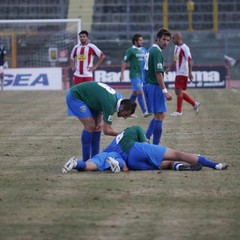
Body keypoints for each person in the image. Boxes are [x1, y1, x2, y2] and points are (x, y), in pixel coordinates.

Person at [62, 125, 228, 173]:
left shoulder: (113, 144)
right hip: (136, 150)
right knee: (177, 154)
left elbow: (96, 161)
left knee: (165, 164)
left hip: (129, 162)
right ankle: (215, 165)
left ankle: (77, 164)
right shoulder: (136, 129)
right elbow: (147, 144)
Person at [66, 81, 137, 161]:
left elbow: (101, 103)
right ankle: (85, 161)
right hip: (75, 96)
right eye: (126, 114)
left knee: (97, 127)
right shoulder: (111, 103)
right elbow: (107, 131)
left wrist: (101, 121)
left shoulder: (119, 99)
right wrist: (123, 134)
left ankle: (94, 160)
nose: (125, 117)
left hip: (91, 100)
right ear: (122, 108)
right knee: (90, 126)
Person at [144, 28, 172, 145]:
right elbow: (158, 73)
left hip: (149, 85)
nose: (166, 42)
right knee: (159, 116)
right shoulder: (157, 52)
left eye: (168, 40)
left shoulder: (152, 50)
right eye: (164, 39)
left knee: (160, 115)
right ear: (157, 39)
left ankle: (146, 137)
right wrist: (164, 91)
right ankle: (155, 146)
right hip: (154, 86)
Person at [165, 32, 200, 116]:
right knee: (178, 92)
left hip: (183, 72)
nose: (172, 40)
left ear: (178, 38)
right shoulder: (176, 47)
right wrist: (170, 67)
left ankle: (179, 111)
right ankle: (194, 104)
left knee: (178, 90)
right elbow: (175, 59)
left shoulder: (185, 48)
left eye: (173, 39)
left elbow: (190, 60)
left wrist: (190, 72)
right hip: (178, 73)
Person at [120, 33, 151, 118]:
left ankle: (128, 111)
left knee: (134, 94)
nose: (142, 41)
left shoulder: (144, 50)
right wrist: (122, 74)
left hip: (142, 76)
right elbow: (125, 62)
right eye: (140, 40)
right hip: (134, 75)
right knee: (140, 92)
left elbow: (147, 62)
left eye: (142, 40)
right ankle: (145, 112)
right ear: (135, 41)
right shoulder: (131, 50)